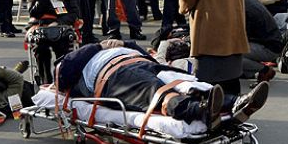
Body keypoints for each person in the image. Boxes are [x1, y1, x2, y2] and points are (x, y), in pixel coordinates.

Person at [55, 39, 269, 130]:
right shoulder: (76, 60)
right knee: (155, 90)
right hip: (113, 74)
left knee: (184, 81)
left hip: (142, 62)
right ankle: (199, 110)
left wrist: (124, 43)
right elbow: (63, 74)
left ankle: (236, 102)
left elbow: (142, 52)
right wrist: (97, 46)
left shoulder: (118, 47)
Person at [24, 0, 80, 84]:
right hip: (40, 27)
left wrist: (58, 23)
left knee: (63, 47)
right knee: (40, 48)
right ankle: (46, 81)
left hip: (60, 26)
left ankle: (61, 78)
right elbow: (33, 13)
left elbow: (73, 13)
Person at [243, 0, 282, 83]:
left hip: (269, 47)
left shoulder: (244, 8)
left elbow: (242, 36)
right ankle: (248, 72)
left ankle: (264, 70)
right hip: (273, 43)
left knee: (233, 54)